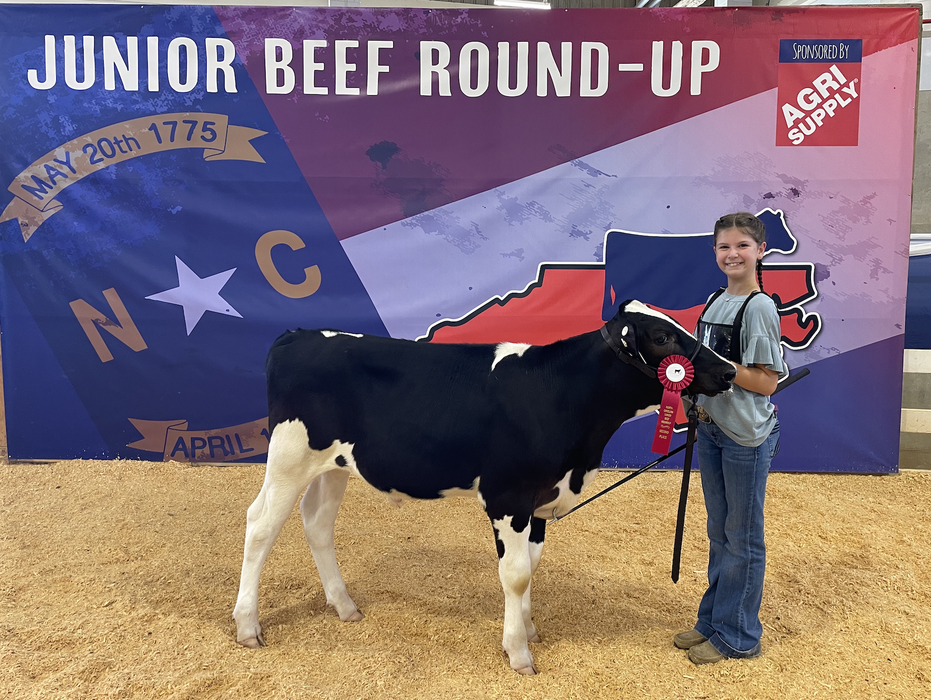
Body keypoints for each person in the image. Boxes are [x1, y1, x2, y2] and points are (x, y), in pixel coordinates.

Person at [676, 212, 788, 665]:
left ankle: (739, 635)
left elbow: (767, 382)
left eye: (742, 245)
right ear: (715, 252)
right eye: (724, 246)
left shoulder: (758, 307)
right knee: (720, 532)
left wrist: (721, 368)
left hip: (744, 436)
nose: (733, 254)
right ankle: (713, 620)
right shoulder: (715, 301)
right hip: (712, 429)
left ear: (760, 251)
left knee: (742, 538)